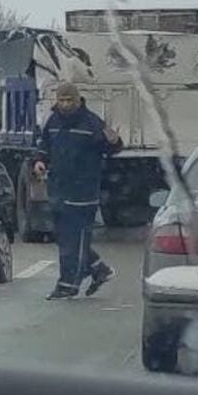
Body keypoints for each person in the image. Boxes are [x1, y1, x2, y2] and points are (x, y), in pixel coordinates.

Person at [33, 82, 124, 300]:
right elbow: (44, 146)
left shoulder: (91, 123)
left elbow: (111, 147)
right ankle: (99, 269)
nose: (65, 105)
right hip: (59, 190)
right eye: (61, 100)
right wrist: (39, 161)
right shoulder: (53, 121)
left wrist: (115, 141)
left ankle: (68, 284)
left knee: (78, 240)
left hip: (84, 193)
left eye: (69, 100)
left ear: (77, 100)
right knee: (65, 239)